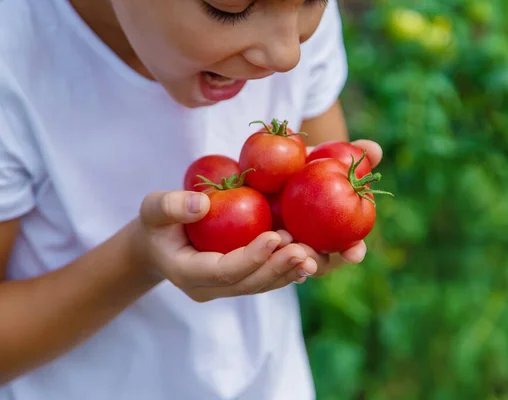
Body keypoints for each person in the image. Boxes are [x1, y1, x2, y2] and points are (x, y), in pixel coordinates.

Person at [0, 0, 383, 399]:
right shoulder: (13, 54)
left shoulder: (285, 26)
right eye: (229, 9)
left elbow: (321, 219)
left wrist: (325, 237)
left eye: (312, 1)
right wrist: (137, 261)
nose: (288, 55)